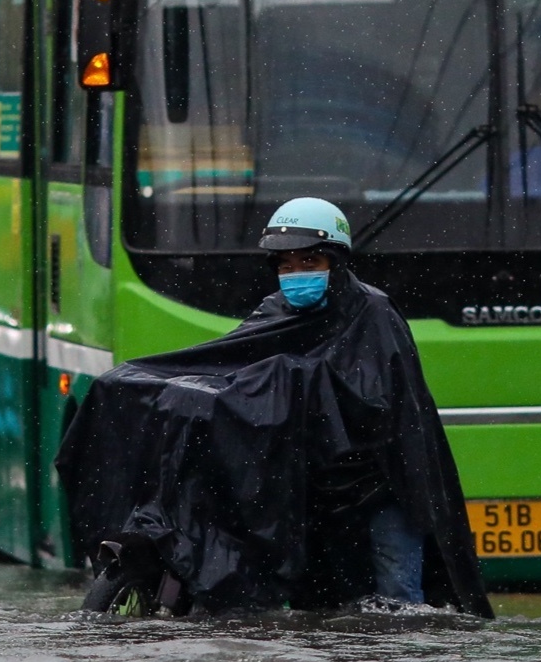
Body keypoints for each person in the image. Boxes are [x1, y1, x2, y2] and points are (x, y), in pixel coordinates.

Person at [57, 197, 492, 617]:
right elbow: (229, 367)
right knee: (321, 609)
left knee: (399, 604)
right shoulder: (275, 312)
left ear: (336, 263)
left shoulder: (373, 314)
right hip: (312, 488)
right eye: (286, 265)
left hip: (380, 487)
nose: (297, 274)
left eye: (310, 262)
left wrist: (287, 382)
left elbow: (373, 403)